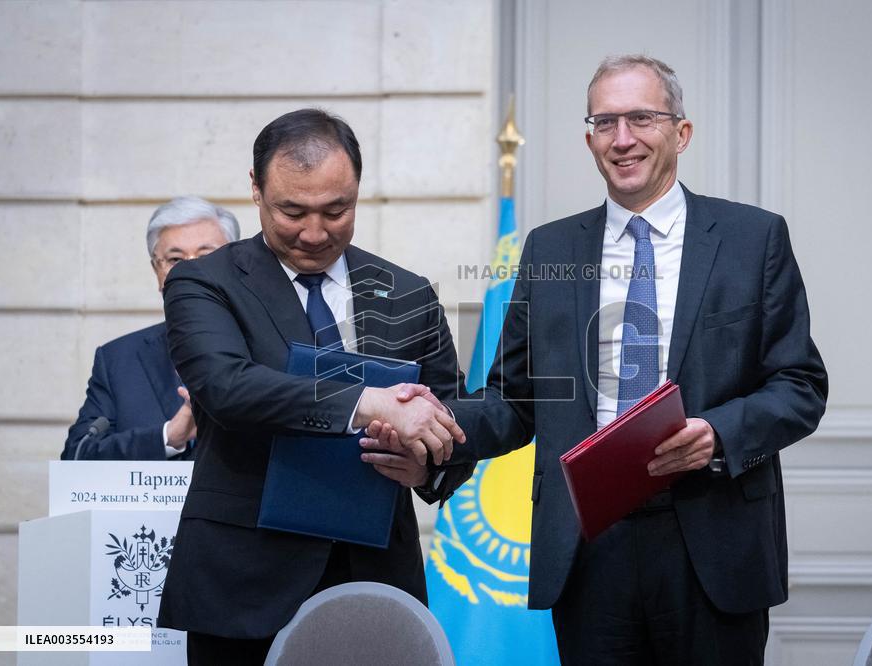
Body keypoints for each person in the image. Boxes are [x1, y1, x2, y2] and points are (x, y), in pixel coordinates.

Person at [370, 54, 828, 664]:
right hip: (587, 545)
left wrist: (718, 434)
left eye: (642, 117)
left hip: (713, 539)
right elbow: (515, 400)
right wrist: (434, 433)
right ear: (589, 138)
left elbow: (799, 385)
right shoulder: (551, 248)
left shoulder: (753, 239)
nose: (623, 139)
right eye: (604, 122)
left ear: (681, 132)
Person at [155, 108, 472, 665]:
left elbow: (455, 415)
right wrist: (369, 402)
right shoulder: (204, 282)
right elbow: (229, 387)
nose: (315, 232)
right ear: (256, 191)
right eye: (292, 211)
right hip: (242, 584)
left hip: (375, 582)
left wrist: (427, 465)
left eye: (336, 210)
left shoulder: (406, 292)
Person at [62, 196, 240, 461]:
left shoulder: (269, 344)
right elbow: (77, 458)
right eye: (175, 259)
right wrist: (168, 437)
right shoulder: (118, 360)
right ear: (157, 271)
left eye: (207, 256)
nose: (190, 270)